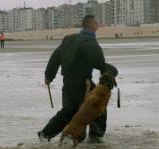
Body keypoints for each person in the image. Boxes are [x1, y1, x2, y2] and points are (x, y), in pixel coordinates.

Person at [38, 15, 114, 143]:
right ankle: (96, 138)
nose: (98, 23)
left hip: (67, 83)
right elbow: (99, 63)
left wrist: (48, 76)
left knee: (68, 112)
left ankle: (45, 134)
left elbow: (55, 57)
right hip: (83, 84)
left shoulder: (69, 39)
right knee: (97, 109)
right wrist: (111, 70)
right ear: (92, 25)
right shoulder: (89, 41)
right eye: (97, 21)